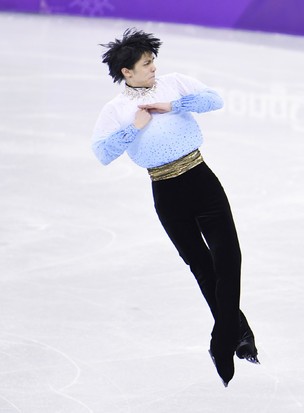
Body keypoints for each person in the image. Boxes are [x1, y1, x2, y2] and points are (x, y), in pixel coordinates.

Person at [91, 28, 258, 387]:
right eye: (147, 64)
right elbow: (102, 153)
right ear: (127, 72)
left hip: (202, 180)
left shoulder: (174, 84)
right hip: (167, 193)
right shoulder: (117, 109)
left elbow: (214, 100)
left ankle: (222, 340)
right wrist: (133, 129)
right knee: (201, 265)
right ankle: (239, 333)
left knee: (229, 259)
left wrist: (174, 106)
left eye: (153, 61)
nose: (154, 68)